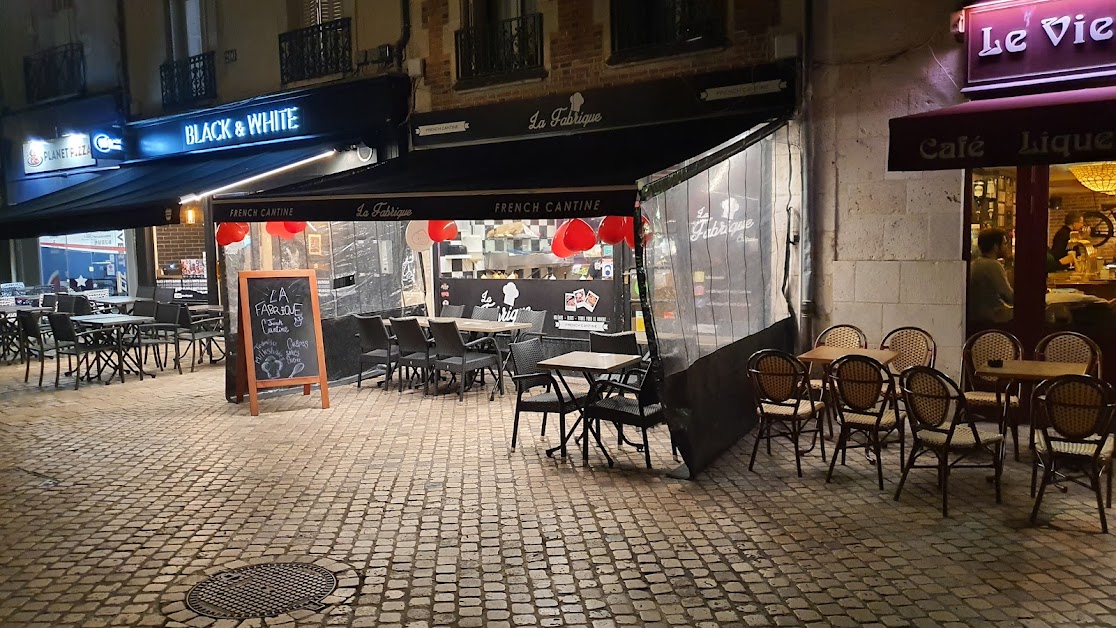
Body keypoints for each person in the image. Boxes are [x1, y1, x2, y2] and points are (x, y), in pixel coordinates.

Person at [968, 228, 1014, 325]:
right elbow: (1009, 296)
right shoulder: (993, 265)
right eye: (1005, 244)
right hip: (992, 321)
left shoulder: (974, 263)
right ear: (995, 246)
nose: (1006, 247)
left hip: (976, 319)